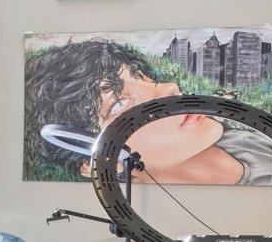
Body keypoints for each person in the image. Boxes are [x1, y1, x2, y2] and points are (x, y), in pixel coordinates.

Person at [26, 40, 254, 185]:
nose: (170, 88)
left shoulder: (256, 143)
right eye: (117, 104)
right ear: (96, 160)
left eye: (143, 78)